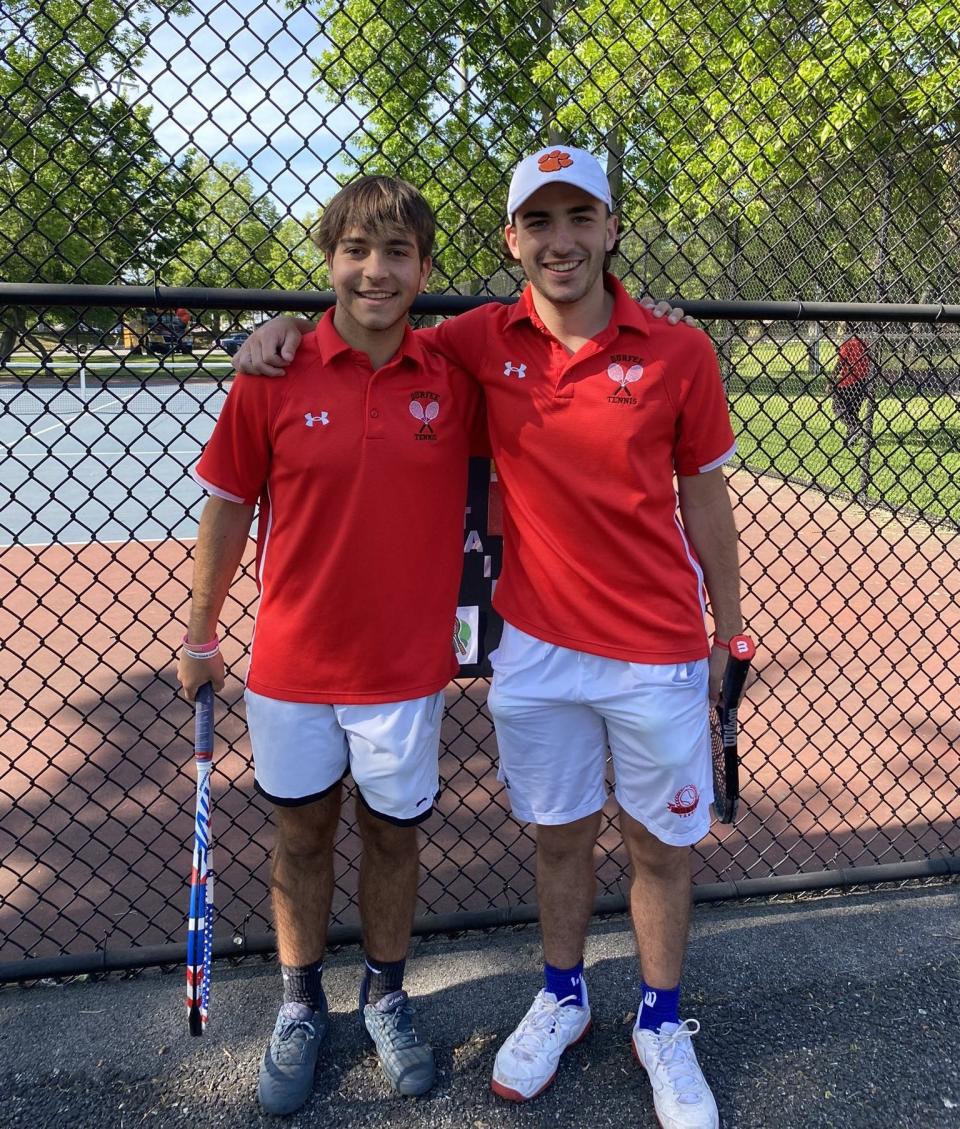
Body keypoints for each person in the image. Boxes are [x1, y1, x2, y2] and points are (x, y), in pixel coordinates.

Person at [234, 145, 745, 1129]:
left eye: (579, 218)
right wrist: (285, 327)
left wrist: (736, 626)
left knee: (658, 845)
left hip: (657, 647)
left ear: (610, 229)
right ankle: (561, 996)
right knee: (558, 842)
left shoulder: (679, 353)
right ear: (512, 240)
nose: (561, 240)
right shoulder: (477, 340)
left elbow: (707, 497)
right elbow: (370, 330)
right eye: (539, 222)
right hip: (537, 648)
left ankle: (663, 1022)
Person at [177, 175, 485, 1115]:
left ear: (424, 269)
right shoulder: (271, 373)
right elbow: (227, 511)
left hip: (404, 668)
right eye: (356, 249)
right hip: (294, 664)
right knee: (301, 835)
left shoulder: (455, 374)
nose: (375, 269)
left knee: (394, 836)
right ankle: (301, 1002)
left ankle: (385, 993)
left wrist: (660, 315)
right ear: (330, 261)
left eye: (396, 252)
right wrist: (199, 631)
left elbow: (551, 337)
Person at [831, 323, 873, 444]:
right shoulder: (866, 342)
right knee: (852, 410)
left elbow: (841, 361)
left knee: (837, 408)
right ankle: (851, 438)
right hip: (864, 381)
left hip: (848, 382)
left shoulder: (849, 342)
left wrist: (831, 379)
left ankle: (856, 428)